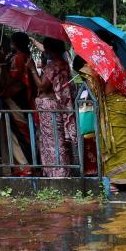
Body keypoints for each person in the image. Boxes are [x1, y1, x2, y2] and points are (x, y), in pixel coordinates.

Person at [79, 57, 126, 189]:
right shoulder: (116, 61)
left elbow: (97, 89)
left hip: (113, 105)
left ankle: (116, 180)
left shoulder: (100, 63)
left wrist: (87, 75)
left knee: (115, 141)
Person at [30, 37, 77, 177]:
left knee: (52, 141)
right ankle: (64, 170)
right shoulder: (64, 64)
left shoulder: (53, 66)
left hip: (50, 107)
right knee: (61, 139)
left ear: (49, 49)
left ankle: (56, 172)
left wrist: (32, 69)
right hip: (60, 105)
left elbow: (42, 85)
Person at [0, 32, 35, 175]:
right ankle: (23, 166)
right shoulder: (20, 57)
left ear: (14, 44)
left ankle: (26, 166)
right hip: (18, 101)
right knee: (19, 134)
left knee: (21, 135)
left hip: (16, 101)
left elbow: (10, 82)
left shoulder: (19, 58)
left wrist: (3, 65)